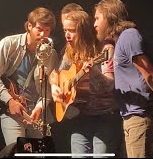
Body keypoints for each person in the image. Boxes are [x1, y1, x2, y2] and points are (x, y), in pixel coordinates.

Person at [94, 0, 153, 158]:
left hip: (140, 117)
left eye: (97, 18)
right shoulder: (120, 42)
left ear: (109, 16)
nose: (94, 24)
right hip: (131, 119)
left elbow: (151, 74)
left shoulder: (128, 36)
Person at [50, 10, 122, 157]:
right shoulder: (70, 50)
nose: (67, 35)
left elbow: (109, 84)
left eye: (72, 31)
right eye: (65, 30)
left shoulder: (105, 49)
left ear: (83, 31)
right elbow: (55, 73)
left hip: (105, 116)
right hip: (81, 115)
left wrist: (92, 70)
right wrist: (54, 87)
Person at [0, 7, 59, 146]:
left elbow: (48, 88)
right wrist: (9, 101)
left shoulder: (51, 54)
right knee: (16, 152)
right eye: (39, 29)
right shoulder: (8, 44)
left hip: (37, 114)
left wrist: (40, 107)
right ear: (29, 26)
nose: (43, 34)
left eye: (47, 30)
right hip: (12, 110)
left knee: (39, 155)